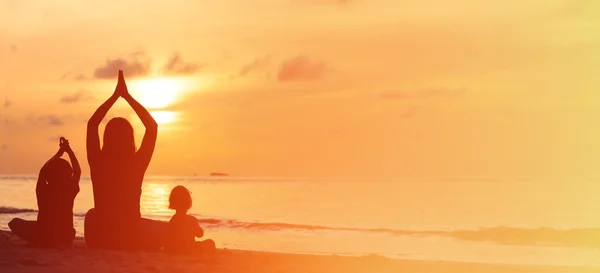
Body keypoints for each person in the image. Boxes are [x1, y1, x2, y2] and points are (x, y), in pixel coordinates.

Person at [84, 70, 166, 251]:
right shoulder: (136, 164)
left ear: (107, 138)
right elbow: (152, 127)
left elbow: (92, 124)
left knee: (91, 214)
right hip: (130, 237)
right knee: (162, 228)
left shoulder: (98, 162)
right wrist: (127, 97)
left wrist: (115, 97)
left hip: (102, 238)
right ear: (130, 138)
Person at [9, 137, 81, 248]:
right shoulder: (70, 190)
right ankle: (58, 242)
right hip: (65, 237)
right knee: (70, 230)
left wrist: (59, 153)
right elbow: (78, 170)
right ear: (68, 175)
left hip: (44, 236)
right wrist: (68, 150)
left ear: (48, 176)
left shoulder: (43, 190)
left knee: (14, 222)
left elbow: (43, 171)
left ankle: (44, 240)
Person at [164, 185, 216, 254]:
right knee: (210, 242)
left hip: (176, 249)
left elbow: (169, 237)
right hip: (189, 249)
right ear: (188, 202)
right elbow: (200, 234)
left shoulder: (173, 219)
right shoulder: (191, 219)